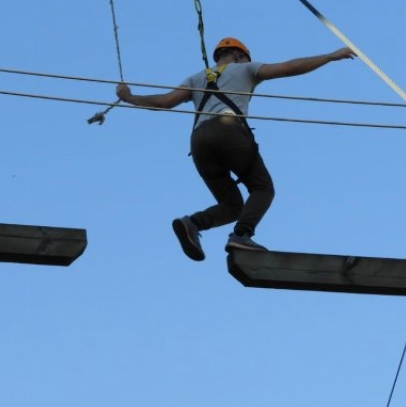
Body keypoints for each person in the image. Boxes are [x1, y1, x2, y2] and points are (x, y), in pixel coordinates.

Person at [115, 37, 356, 261]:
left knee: (232, 206)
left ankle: (193, 223)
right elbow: (287, 68)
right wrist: (330, 56)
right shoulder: (246, 69)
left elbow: (164, 102)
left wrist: (130, 97)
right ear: (238, 55)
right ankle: (241, 236)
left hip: (199, 142)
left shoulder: (195, 78)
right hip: (228, 130)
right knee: (262, 188)